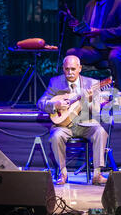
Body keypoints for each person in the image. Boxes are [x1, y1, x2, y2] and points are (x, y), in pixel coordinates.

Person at [37, 55, 109, 185]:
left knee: (101, 131)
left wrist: (91, 100)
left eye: (73, 69)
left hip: (85, 124)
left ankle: (97, 174)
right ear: (63, 69)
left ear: (80, 68)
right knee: (56, 136)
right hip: (62, 126)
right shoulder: (56, 82)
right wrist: (55, 105)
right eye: (67, 69)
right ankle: (63, 173)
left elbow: (97, 111)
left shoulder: (92, 84)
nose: (70, 73)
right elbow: (40, 103)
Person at [66, 0, 121, 91]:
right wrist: (77, 27)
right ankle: (74, 91)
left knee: (115, 58)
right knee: (72, 54)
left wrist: (101, 32)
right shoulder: (90, 5)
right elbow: (87, 29)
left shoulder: (120, 4)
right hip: (94, 50)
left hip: (114, 47)